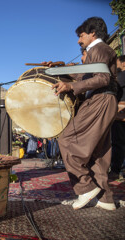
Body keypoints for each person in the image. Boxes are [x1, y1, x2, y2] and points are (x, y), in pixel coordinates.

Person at [50, 17, 118, 210]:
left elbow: (103, 78)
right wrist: (56, 69)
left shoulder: (99, 49)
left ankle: (85, 188)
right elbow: (82, 77)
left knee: (67, 140)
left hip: (99, 100)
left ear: (92, 33)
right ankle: (104, 199)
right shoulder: (97, 51)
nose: (79, 41)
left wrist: (72, 85)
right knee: (99, 153)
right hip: (103, 100)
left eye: (81, 35)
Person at [109, 55, 125, 179]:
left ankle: (115, 170)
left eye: (117, 63)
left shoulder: (121, 77)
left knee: (118, 143)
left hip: (120, 113)